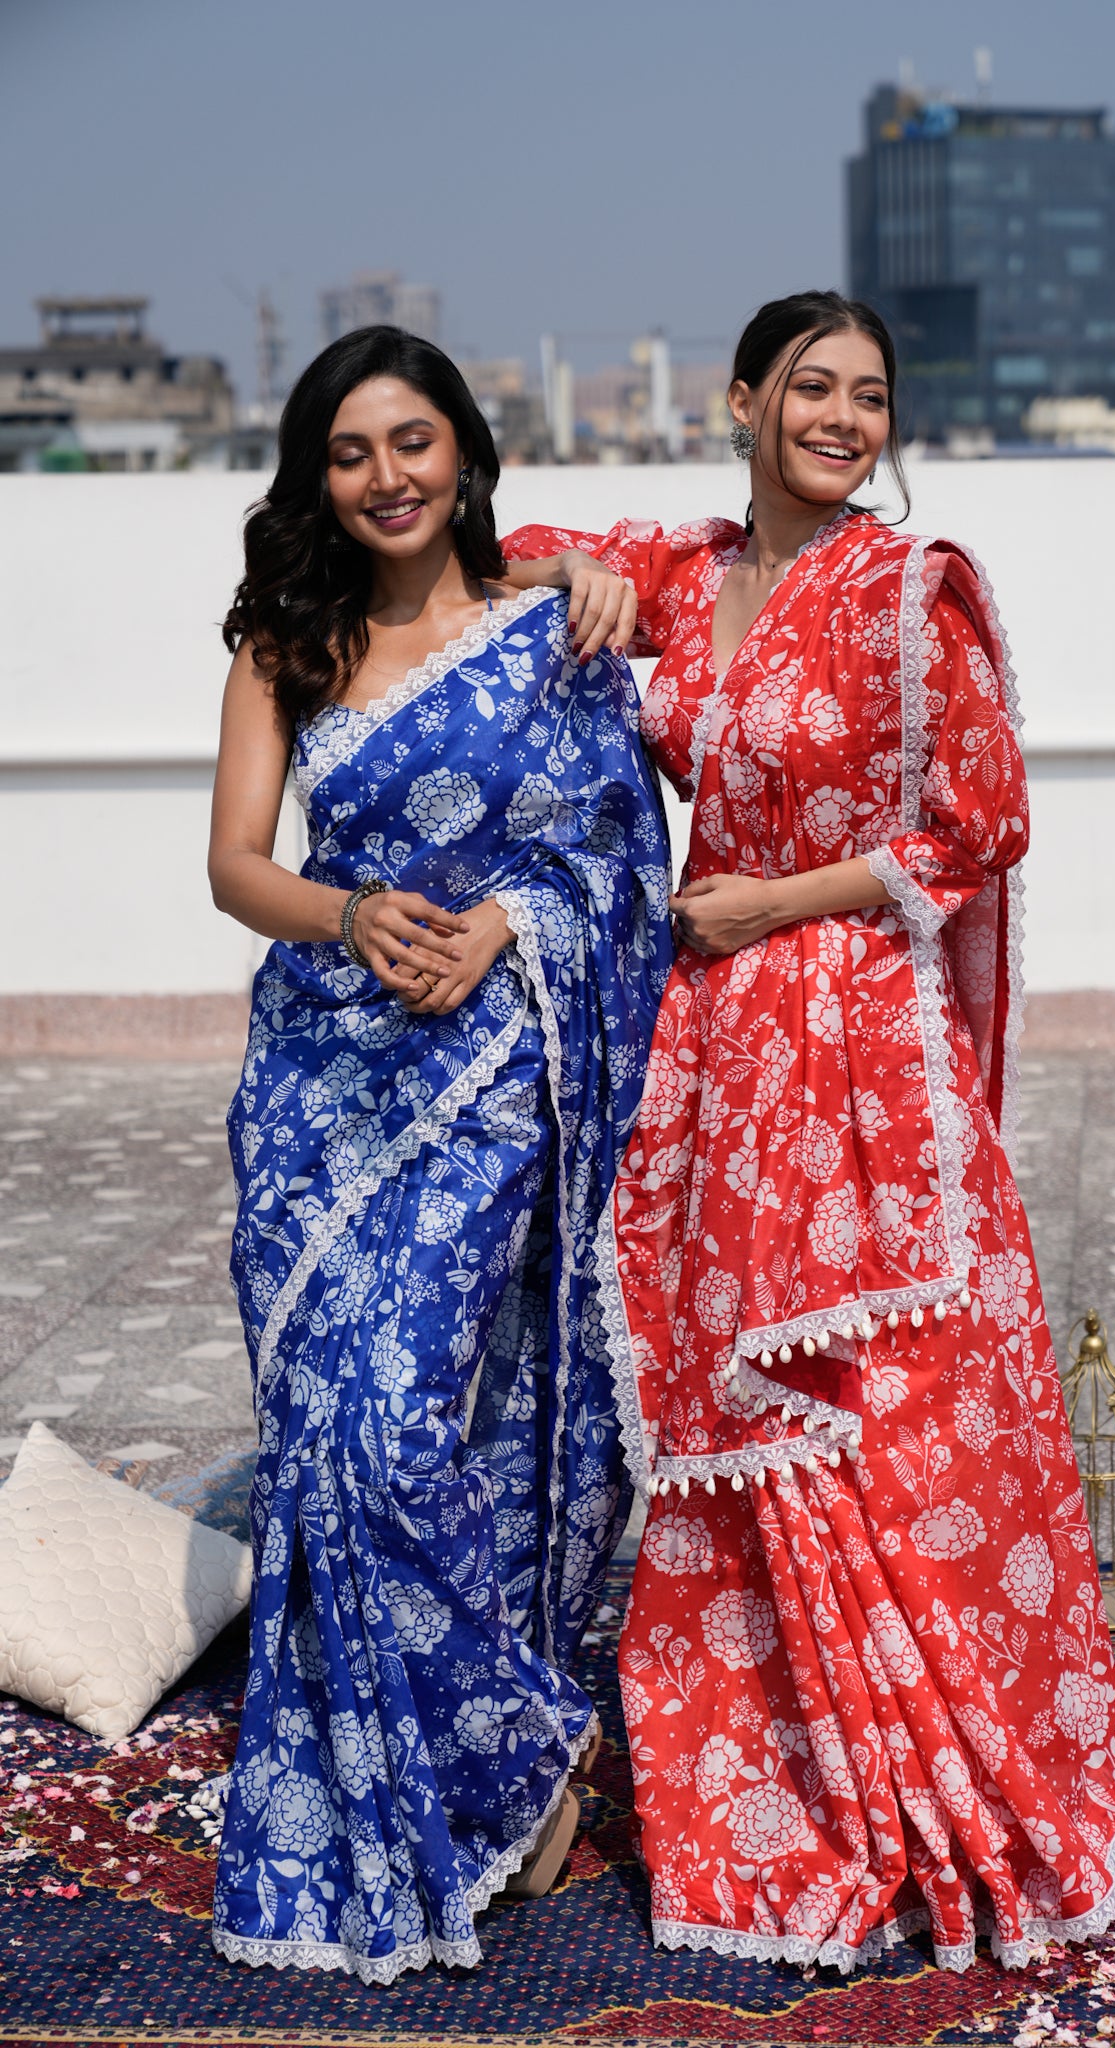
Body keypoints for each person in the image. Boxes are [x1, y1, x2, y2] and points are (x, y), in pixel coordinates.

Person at [501, 291, 1115, 1974]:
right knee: (728, 1405)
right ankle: (778, 1786)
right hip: (711, 1048)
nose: (844, 419)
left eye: (869, 396)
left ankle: (940, 1779)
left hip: (852, 1030)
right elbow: (513, 543)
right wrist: (583, 574)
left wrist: (772, 899)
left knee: (893, 1406)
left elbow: (981, 823)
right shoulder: (691, 574)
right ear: (739, 401)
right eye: (812, 389)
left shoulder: (909, 590)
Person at [206, 325, 669, 1981]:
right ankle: (497, 1773)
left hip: (491, 1086)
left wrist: (502, 928)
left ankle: (502, 1749)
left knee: (409, 1427)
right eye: (350, 452)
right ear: (316, 479)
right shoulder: (287, 634)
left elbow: (622, 864)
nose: (386, 477)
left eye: (413, 443)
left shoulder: (551, 631)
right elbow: (236, 868)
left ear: (464, 453)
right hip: (318, 1090)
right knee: (323, 1439)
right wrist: (354, 912)